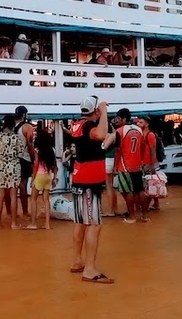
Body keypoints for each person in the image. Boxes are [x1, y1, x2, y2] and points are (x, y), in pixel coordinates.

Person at [69, 96, 113, 284]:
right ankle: (89, 269)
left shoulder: (78, 125)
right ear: (94, 111)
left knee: (81, 222)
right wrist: (104, 113)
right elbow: (101, 134)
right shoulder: (88, 127)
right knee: (94, 224)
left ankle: (78, 260)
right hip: (88, 182)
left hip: (81, 178)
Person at [114, 108, 148, 223]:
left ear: (123, 119)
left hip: (125, 166)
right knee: (140, 190)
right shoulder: (139, 129)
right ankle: (144, 216)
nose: (117, 120)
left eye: (119, 118)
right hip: (137, 165)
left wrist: (115, 166)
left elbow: (118, 151)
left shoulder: (120, 131)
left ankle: (132, 216)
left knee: (127, 191)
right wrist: (141, 160)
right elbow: (143, 147)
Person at [0, 116, 21, 229]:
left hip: (2, 168)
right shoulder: (16, 138)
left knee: (0, 196)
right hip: (14, 167)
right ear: (13, 124)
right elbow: (22, 152)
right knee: (13, 196)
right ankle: (13, 223)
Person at [25, 134, 58, 230]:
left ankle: (33, 223)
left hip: (39, 176)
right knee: (46, 200)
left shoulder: (37, 151)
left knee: (33, 199)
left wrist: (33, 178)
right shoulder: (52, 150)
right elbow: (55, 166)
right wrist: (54, 178)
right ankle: (47, 224)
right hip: (48, 176)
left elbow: (35, 165)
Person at [14, 106, 34, 220]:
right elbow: (30, 145)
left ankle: (11, 211)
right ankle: (25, 212)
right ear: (25, 115)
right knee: (23, 186)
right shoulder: (27, 127)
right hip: (25, 159)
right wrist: (33, 159)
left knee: (12, 188)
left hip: (14, 159)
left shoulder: (11, 127)